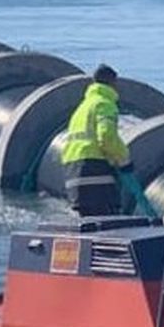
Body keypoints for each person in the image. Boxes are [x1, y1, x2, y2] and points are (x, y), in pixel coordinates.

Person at [60, 65, 134, 216]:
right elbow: (106, 137)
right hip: (94, 169)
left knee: (87, 222)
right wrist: (124, 160)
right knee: (108, 220)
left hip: (72, 171)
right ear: (113, 83)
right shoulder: (104, 104)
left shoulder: (82, 108)